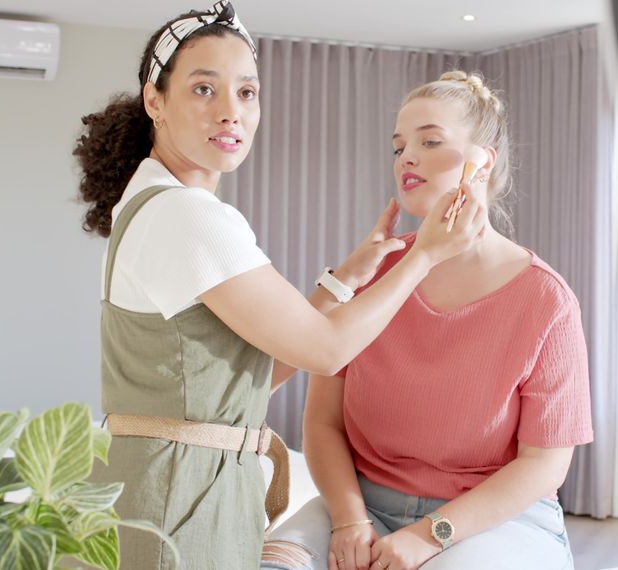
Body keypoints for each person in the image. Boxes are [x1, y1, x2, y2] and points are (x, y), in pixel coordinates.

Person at [72, 3, 487, 567]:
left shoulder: (151, 205)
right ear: (155, 101)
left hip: (166, 491)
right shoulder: (188, 216)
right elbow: (327, 350)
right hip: (176, 503)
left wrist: (346, 280)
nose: (230, 112)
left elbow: (252, 376)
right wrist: (425, 257)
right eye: (203, 89)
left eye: (247, 92)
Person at [260, 71, 594, 570]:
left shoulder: (547, 300)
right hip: (363, 506)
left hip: (492, 521)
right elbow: (323, 423)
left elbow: (545, 465)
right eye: (399, 147)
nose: (406, 158)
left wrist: (429, 535)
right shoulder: (373, 274)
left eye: (430, 141)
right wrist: (349, 520)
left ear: (483, 163)